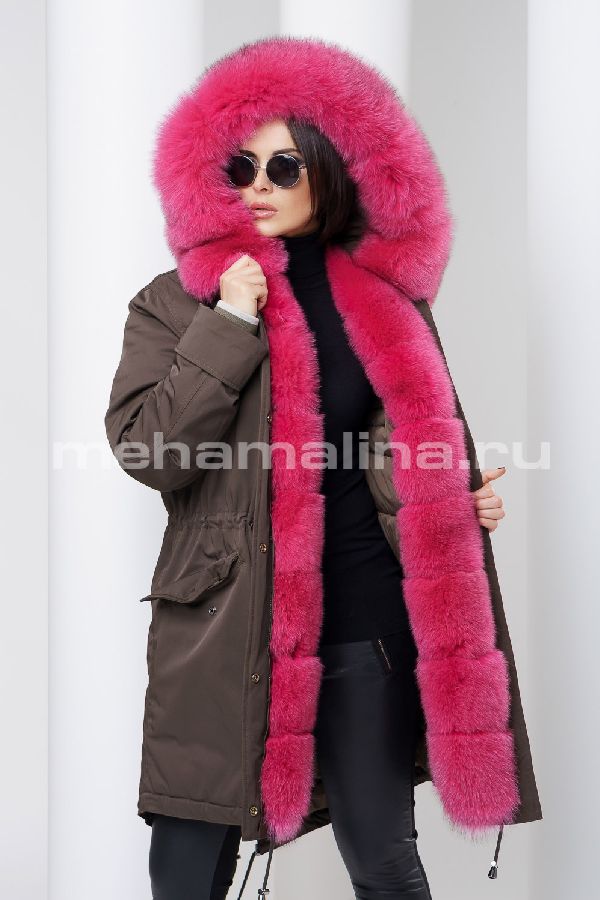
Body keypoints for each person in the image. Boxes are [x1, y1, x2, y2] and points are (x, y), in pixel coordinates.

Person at [104, 35, 542, 900]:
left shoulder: (387, 301)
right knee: (187, 867)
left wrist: (456, 499)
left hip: (364, 620)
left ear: (330, 172)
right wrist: (230, 322)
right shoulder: (177, 302)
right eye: (240, 167)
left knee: (382, 860)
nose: (259, 186)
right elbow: (153, 452)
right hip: (226, 622)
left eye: (284, 166)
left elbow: (406, 451)